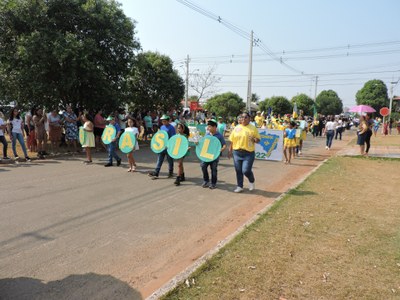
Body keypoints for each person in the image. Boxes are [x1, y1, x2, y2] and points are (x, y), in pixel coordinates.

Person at [228, 112, 260, 193]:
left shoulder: (253, 128)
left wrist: (255, 139)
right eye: (242, 117)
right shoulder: (237, 127)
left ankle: (251, 180)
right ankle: (240, 186)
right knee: (238, 170)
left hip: (248, 153)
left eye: (246, 117)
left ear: (249, 119)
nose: (243, 119)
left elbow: (258, 140)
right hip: (237, 152)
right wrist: (230, 150)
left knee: (246, 171)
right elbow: (232, 140)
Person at [200, 119, 227, 189]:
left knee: (213, 169)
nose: (208, 128)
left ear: (214, 127)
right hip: (206, 155)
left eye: (209, 126)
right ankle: (206, 181)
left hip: (214, 156)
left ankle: (213, 183)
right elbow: (203, 143)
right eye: (208, 126)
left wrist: (221, 150)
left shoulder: (219, 136)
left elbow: (224, 145)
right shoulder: (207, 134)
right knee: (203, 166)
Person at [148, 114, 176, 179]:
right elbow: (159, 136)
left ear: (168, 121)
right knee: (159, 159)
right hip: (162, 147)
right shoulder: (162, 127)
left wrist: (169, 145)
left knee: (170, 160)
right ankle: (156, 173)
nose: (163, 122)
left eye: (165, 121)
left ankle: (170, 172)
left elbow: (173, 138)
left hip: (168, 147)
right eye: (162, 121)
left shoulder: (171, 128)